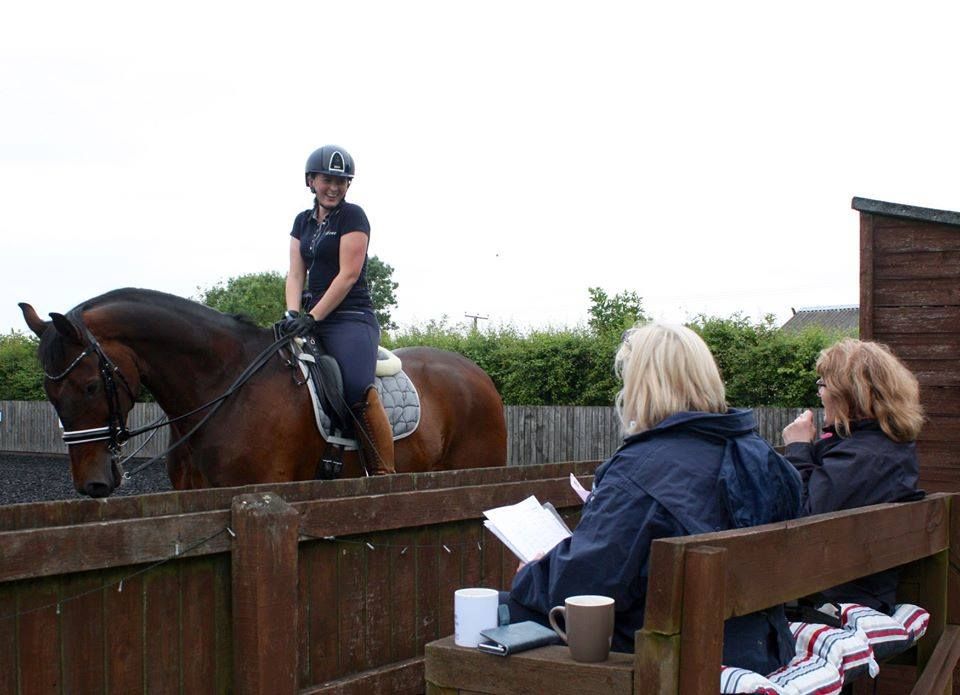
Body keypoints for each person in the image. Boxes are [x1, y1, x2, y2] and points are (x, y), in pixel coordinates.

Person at [507, 323, 803, 675]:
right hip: (762, 647)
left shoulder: (640, 472)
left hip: (676, 660)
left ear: (641, 385)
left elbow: (585, 587)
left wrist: (532, 575)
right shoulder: (763, 456)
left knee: (502, 611)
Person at [782, 338, 924, 612]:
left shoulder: (865, 457)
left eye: (823, 384)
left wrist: (797, 449)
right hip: (848, 587)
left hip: (838, 599)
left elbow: (804, 522)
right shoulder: (880, 447)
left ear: (848, 393)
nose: (820, 393)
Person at [281, 145, 395, 475]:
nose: (334, 187)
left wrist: (312, 316)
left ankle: (385, 474)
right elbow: (295, 272)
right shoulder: (301, 222)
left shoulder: (353, 216)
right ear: (311, 181)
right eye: (327, 180)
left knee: (357, 386)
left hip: (350, 318)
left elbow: (348, 275)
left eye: (341, 182)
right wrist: (292, 315)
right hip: (309, 320)